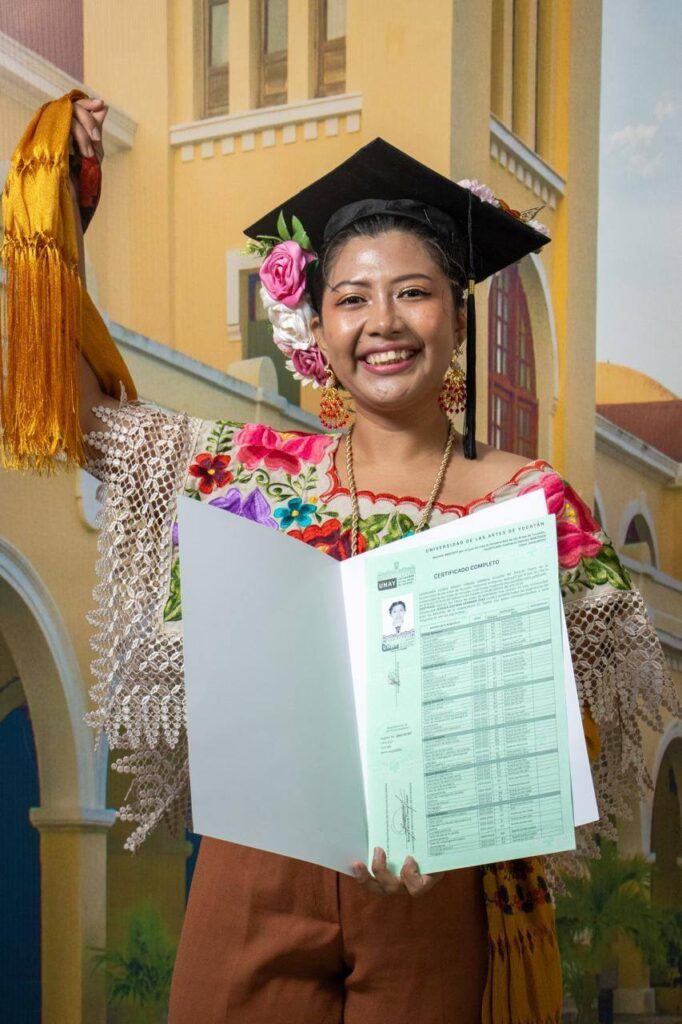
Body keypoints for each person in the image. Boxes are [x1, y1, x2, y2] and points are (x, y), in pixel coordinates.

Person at [1, 90, 678, 1024]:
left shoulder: (530, 504)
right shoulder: (248, 472)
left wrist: (474, 816)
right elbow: (81, 419)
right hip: (256, 874)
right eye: (351, 298)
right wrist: (60, 202)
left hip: (432, 890)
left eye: (414, 292)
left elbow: (577, 728)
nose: (383, 321)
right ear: (318, 332)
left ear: (458, 320)